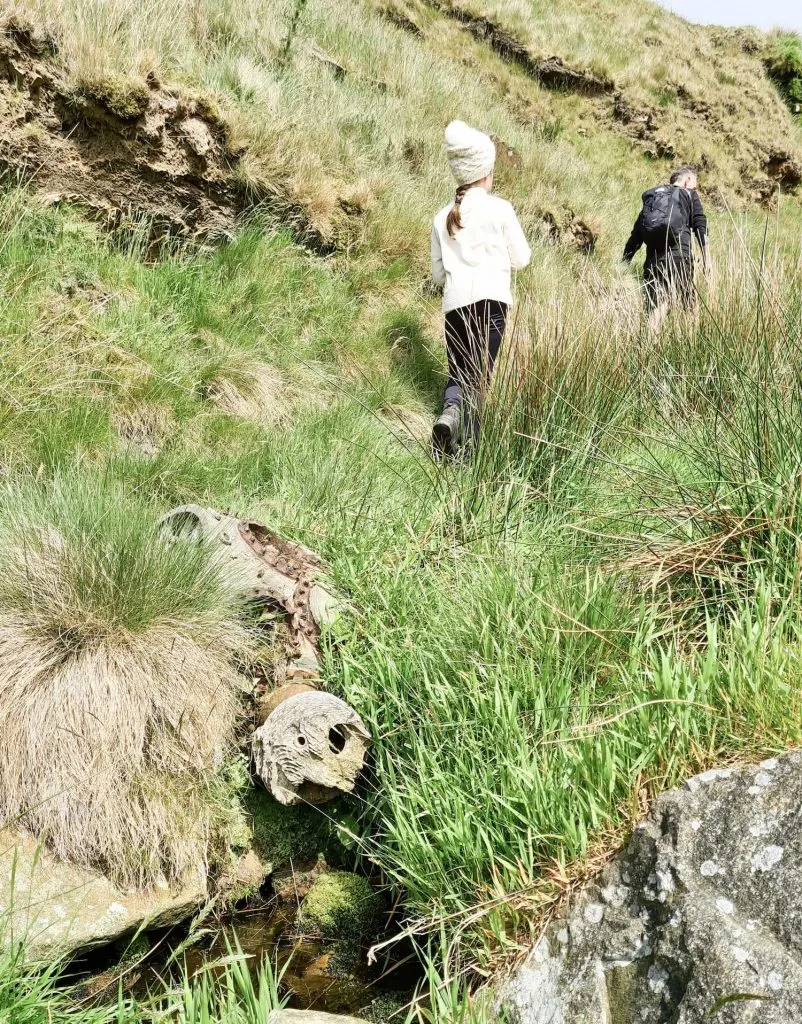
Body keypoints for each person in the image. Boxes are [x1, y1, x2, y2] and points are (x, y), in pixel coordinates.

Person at [430, 120, 531, 457]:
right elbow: (522, 258)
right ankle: (470, 452)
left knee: (460, 370)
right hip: (492, 303)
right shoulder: (500, 209)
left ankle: (449, 417)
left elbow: (437, 276)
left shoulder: (442, 215)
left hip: (455, 304)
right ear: (485, 172)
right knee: (480, 377)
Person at [623, 166, 708, 331]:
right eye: (694, 185)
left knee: (657, 305)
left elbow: (637, 233)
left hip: (653, 261)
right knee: (690, 305)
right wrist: (707, 258)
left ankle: (647, 351)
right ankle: (692, 347)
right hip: (679, 257)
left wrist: (625, 261)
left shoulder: (654, 197)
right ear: (688, 180)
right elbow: (700, 224)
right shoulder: (689, 194)